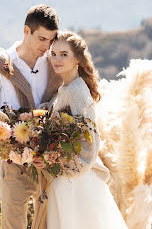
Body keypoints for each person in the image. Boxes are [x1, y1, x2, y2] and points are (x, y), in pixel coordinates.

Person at [0, 4, 62, 229]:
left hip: (49, 164)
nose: (47, 46)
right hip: (15, 165)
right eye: (41, 39)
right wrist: (12, 142)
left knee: (49, 224)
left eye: (51, 40)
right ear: (26, 31)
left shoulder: (54, 65)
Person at [35, 30, 128, 229]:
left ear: (77, 58)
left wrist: (57, 163)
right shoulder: (65, 88)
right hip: (64, 179)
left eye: (64, 54)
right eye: (54, 54)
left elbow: (91, 143)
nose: (56, 59)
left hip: (76, 182)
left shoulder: (77, 91)